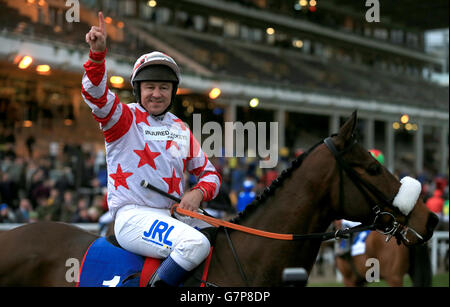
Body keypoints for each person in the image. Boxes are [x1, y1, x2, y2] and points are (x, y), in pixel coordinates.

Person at [83, 12, 221, 287]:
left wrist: (196, 193)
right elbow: (95, 95)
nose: (156, 93)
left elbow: (210, 175)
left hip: (172, 216)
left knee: (224, 237)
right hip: (132, 217)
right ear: (138, 90)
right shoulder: (123, 119)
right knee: (195, 245)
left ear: (172, 92)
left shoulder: (181, 128)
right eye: (150, 87)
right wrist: (97, 56)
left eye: (163, 87)